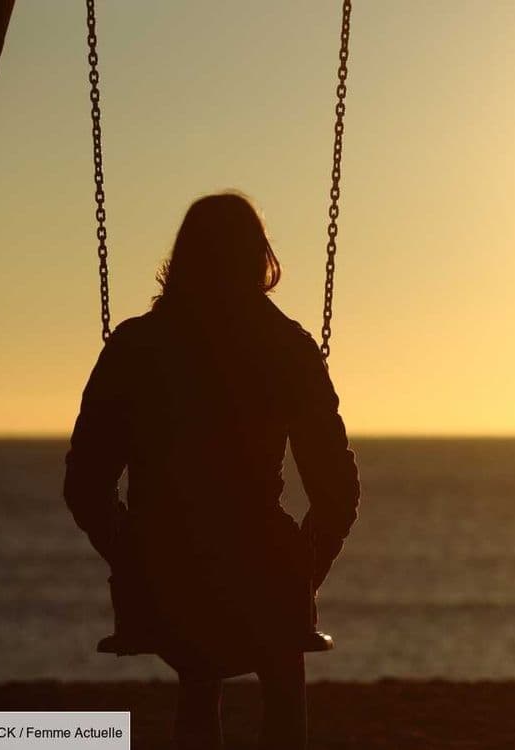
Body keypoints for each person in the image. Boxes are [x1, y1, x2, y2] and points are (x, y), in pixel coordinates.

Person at [63, 192, 360, 749]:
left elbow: (85, 483)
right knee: (277, 642)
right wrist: (304, 568)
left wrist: (130, 553)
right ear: (259, 260)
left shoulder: (136, 346)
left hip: (165, 578)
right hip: (264, 581)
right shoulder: (286, 348)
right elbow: (336, 491)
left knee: (198, 670)